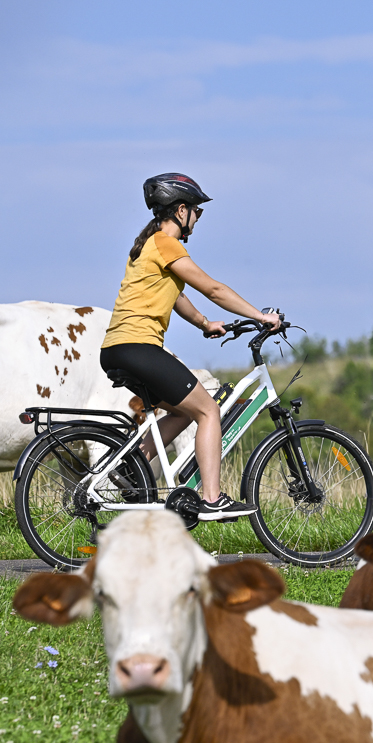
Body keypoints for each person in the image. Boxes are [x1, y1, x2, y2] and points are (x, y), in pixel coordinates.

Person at [100, 173, 280, 521]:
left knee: (183, 411)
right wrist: (259, 315)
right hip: (139, 346)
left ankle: (130, 466)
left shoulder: (147, 245)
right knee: (208, 410)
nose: (197, 218)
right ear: (181, 210)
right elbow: (213, 289)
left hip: (117, 348)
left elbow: (175, 293)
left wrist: (204, 323)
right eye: (196, 211)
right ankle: (212, 499)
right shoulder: (168, 244)